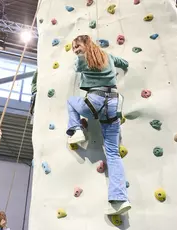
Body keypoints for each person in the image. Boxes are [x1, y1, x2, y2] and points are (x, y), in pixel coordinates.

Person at [67, 35, 131, 215]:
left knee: (71, 102)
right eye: (74, 48)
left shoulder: (82, 59)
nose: (76, 50)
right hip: (114, 103)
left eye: (77, 46)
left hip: (95, 100)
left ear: (85, 45)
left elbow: (78, 67)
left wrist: (79, 55)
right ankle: (119, 200)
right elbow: (124, 63)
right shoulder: (108, 56)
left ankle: (77, 130)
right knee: (113, 152)